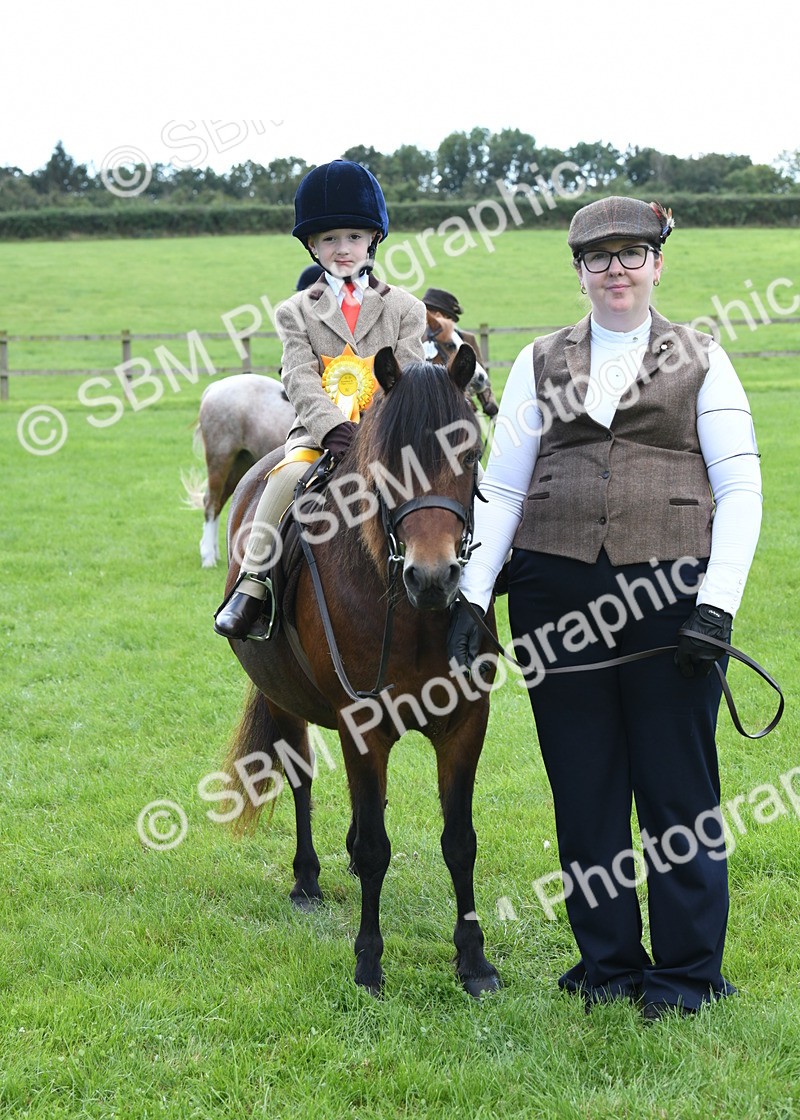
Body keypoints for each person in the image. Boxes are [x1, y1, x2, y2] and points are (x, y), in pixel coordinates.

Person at [448, 197, 762, 1020]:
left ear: (658, 263)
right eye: (599, 257)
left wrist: (717, 606)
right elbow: (505, 485)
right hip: (556, 597)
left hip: (672, 599)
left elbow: (742, 489)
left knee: (677, 789)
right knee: (583, 786)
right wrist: (472, 600)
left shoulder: (703, 359)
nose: (616, 268)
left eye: (632, 253)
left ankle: (689, 972)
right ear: (580, 272)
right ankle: (609, 963)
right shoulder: (537, 362)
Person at [214, 159, 426, 640]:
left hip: (389, 434)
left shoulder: (406, 309)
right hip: (318, 433)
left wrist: (373, 429)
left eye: (353, 236)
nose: (342, 248)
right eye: (329, 239)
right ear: (312, 245)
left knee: (446, 478)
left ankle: (476, 577)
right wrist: (332, 427)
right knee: (284, 477)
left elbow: (410, 376)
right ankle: (253, 587)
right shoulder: (295, 311)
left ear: (373, 238)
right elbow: (298, 374)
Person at [422, 287, 499, 417]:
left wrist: (488, 402)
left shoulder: (466, 340)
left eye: (431, 313)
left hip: (460, 407)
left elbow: (479, 376)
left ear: (443, 316)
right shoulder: (415, 338)